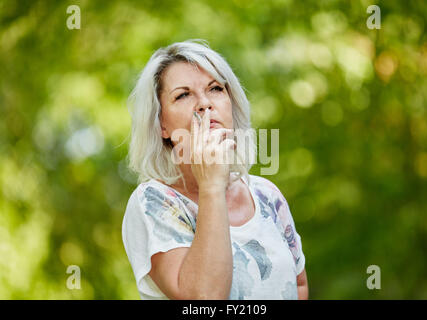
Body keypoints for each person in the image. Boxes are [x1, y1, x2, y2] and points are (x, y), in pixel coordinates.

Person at [121, 39, 308, 300]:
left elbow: (299, 286)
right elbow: (204, 300)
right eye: (183, 95)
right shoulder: (152, 202)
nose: (205, 103)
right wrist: (211, 185)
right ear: (161, 124)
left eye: (215, 89)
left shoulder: (267, 195)